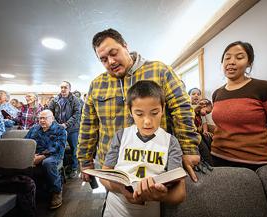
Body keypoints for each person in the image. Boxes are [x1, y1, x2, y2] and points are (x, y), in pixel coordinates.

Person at [78, 28, 200, 183]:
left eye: (113, 53)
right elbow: (88, 124)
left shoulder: (160, 71)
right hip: (112, 168)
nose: (111, 62)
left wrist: (189, 148)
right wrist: (85, 159)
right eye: (103, 59)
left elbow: (181, 109)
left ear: (125, 45)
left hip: (156, 164)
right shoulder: (96, 84)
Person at [99, 80, 185, 217]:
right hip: (115, 208)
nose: (147, 121)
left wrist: (158, 196)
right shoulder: (121, 136)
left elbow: (179, 194)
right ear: (130, 112)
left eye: (154, 113)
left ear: (162, 109)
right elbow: (104, 176)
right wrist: (121, 188)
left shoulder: (170, 142)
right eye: (139, 114)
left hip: (149, 211)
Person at [211, 41, 267, 170]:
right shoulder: (217, 93)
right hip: (217, 160)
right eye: (227, 57)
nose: (231, 61)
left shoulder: (265, 88)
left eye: (239, 57)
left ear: (249, 63)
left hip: (255, 163)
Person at [25, 110, 67, 209]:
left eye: (45, 118)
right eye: (40, 118)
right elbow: (26, 142)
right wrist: (30, 154)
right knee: (21, 161)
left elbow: (57, 147)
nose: (42, 120)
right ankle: (27, 191)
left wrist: (42, 156)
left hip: (54, 155)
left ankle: (56, 192)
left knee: (47, 163)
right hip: (35, 154)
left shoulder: (60, 129)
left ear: (52, 118)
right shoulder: (34, 129)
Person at [48, 81, 81, 178]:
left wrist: (66, 124)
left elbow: (77, 114)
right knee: (58, 148)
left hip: (72, 129)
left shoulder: (75, 100)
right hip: (58, 129)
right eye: (61, 87)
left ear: (69, 89)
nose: (63, 89)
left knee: (74, 149)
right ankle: (61, 167)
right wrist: (56, 124)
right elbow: (50, 112)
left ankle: (74, 168)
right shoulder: (55, 99)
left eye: (65, 87)